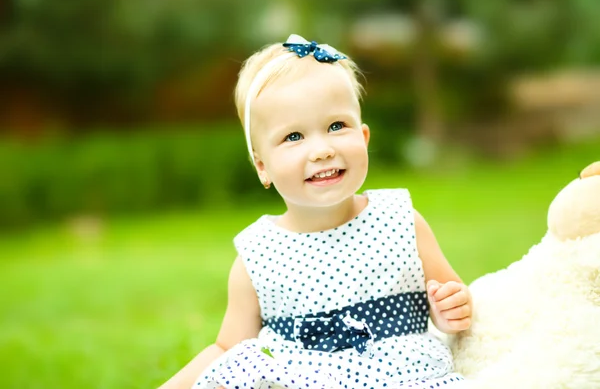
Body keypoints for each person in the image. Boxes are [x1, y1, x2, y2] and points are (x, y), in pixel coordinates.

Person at [159, 34, 472, 389]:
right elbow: (228, 347)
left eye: (337, 126)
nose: (322, 150)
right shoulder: (259, 255)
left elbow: (453, 298)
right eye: (294, 137)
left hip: (407, 379)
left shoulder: (401, 222)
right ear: (262, 166)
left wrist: (450, 310)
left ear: (364, 138)